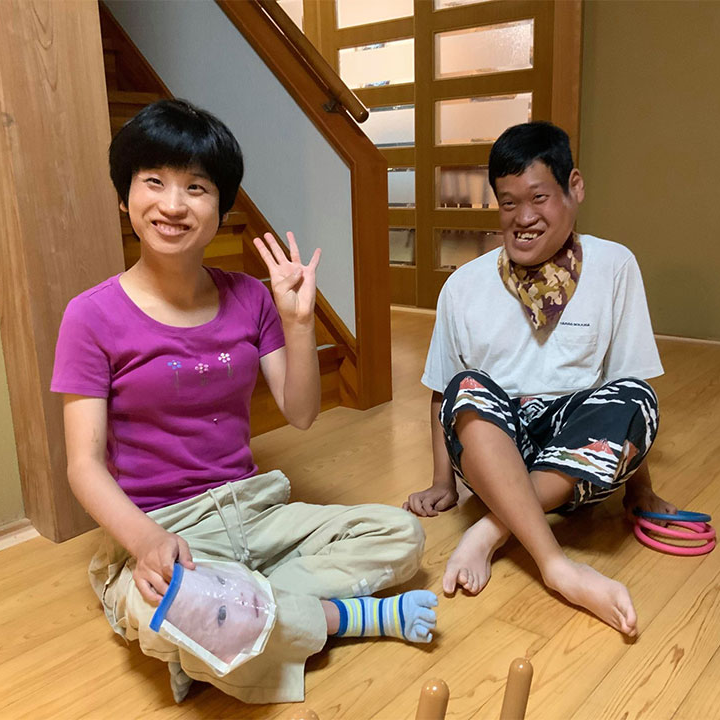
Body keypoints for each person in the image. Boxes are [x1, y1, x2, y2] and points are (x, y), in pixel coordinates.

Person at [51, 99, 437, 705]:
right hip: (165, 529)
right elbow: (83, 465)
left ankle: (237, 617)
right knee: (163, 606)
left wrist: (299, 323)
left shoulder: (251, 299)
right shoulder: (90, 316)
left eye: (196, 187)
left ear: (222, 207)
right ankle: (345, 618)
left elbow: (301, 413)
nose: (173, 204)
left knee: (401, 534)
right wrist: (146, 543)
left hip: (253, 508)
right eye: (153, 181)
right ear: (125, 197)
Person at [403, 122, 675, 637]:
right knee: (467, 385)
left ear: (575, 187)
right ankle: (556, 564)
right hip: (492, 453)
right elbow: (443, 392)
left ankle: (493, 528)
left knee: (637, 396)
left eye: (539, 198)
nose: (523, 218)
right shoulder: (463, 286)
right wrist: (443, 484)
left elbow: (625, 382)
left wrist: (639, 490)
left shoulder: (614, 265)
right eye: (508, 203)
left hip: (578, 467)